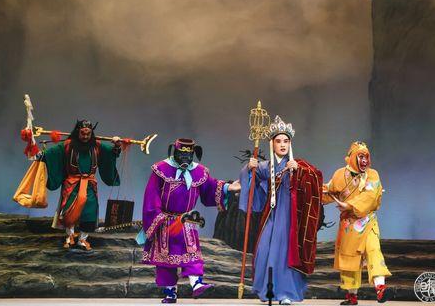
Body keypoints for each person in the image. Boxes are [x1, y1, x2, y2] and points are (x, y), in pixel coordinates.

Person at [141, 138, 241, 304]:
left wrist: (228, 187)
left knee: (192, 253)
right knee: (165, 260)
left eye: (189, 155)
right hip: (166, 221)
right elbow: (151, 196)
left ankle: (197, 284)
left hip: (187, 220)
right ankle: (170, 293)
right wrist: (157, 217)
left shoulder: (199, 171)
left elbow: (211, 187)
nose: (185, 158)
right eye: (182, 154)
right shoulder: (161, 169)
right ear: (174, 152)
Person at [239, 116, 323, 305]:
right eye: (278, 141)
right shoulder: (266, 166)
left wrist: (300, 171)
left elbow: (316, 177)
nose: (283, 145)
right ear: (272, 144)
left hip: (290, 216)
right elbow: (251, 181)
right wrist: (249, 169)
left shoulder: (297, 164)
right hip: (271, 214)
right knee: (264, 249)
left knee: (285, 251)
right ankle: (267, 290)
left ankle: (285, 292)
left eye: (286, 141)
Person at [322, 141, 391, 305]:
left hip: (367, 221)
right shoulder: (340, 175)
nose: (365, 160)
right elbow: (328, 191)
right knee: (349, 259)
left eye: (366, 156)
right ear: (352, 157)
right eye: (361, 156)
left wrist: (349, 205)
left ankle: (380, 287)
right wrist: (311, 189)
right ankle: (351, 296)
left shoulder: (372, 174)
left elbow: (370, 196)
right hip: (348, 224)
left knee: (374, 250)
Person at [42, 120, 122, 251]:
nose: (85, 136)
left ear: (91, 133)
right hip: (72, 184)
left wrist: (117, 145)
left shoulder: (97, 146)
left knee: (89, 211)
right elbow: (52, 153)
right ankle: (70, 236)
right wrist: (40, 153)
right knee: (69, 211)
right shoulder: (68, 145)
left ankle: (83, 239)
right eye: (82, 134)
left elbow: (112, 153)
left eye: (88, 134)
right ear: (77, 132)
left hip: (90, 184)